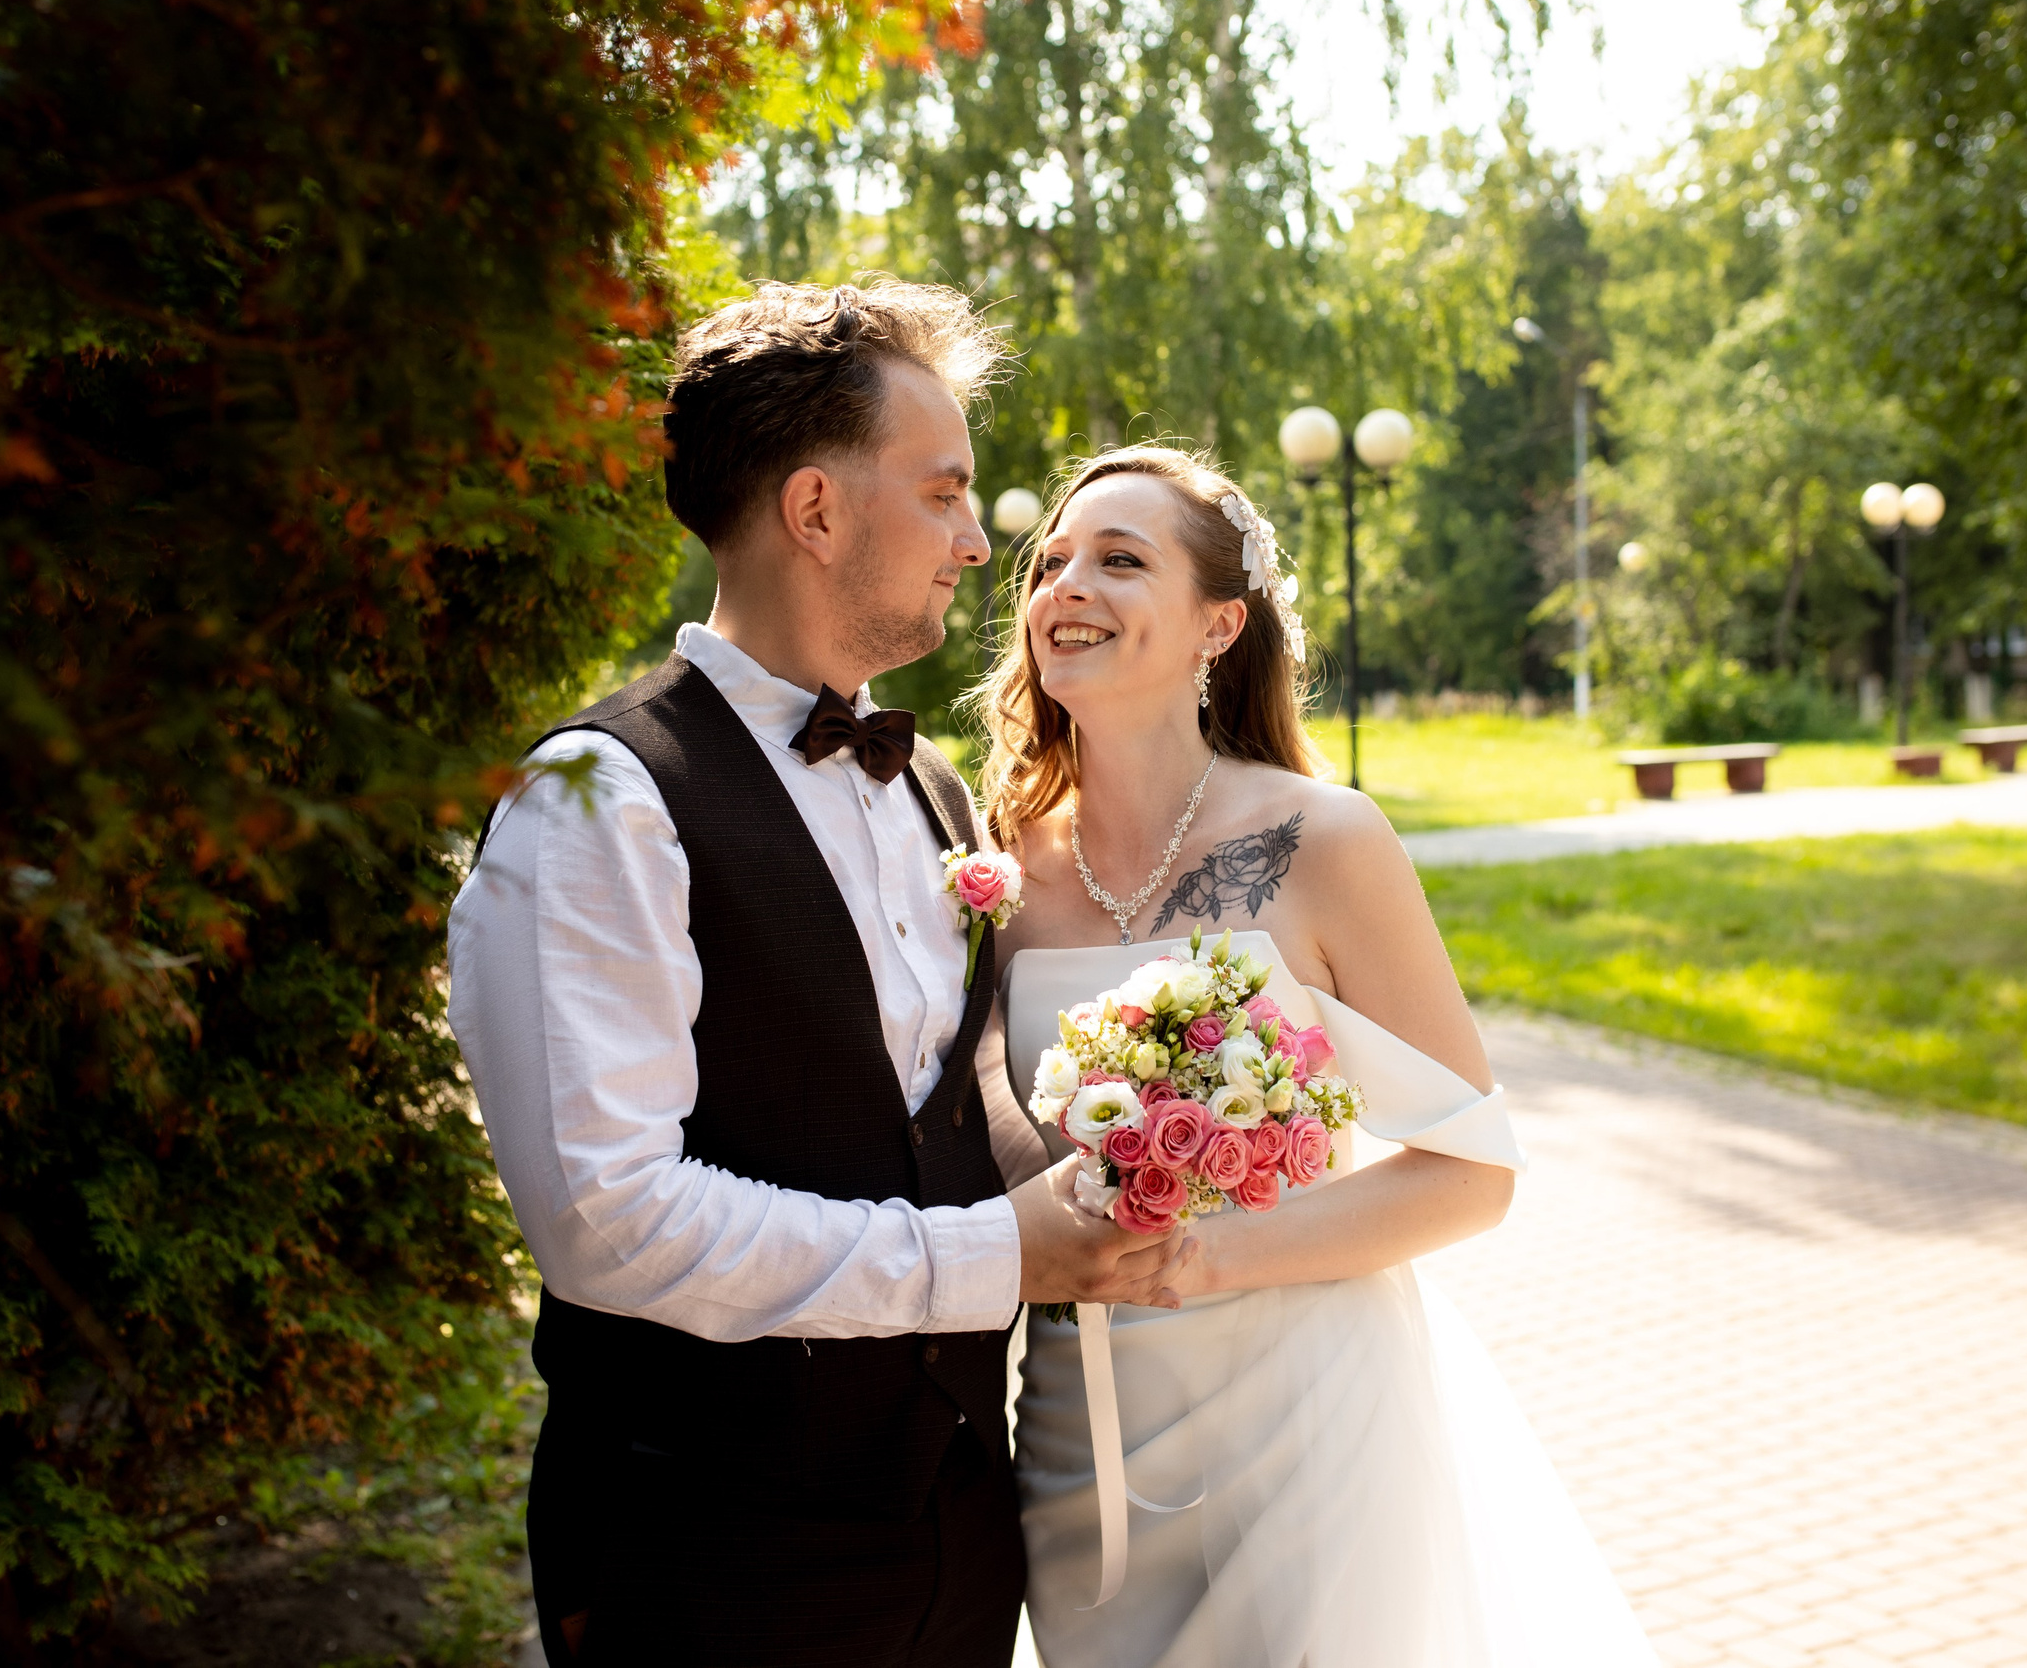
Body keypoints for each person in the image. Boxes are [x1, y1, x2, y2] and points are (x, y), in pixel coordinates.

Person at [445, 281, 1189, 1668]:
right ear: (816, 511)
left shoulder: (938, 796)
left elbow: (919, 1102)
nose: (981, 541)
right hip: (711, 1556)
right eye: (946, 490)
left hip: (963, 1535)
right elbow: (608, 1218)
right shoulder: (592, 801)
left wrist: (1151, 1139)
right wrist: (994, 1253)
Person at [976, 445, 1662, 1666]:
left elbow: (1470, 1171)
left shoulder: (1324, 841)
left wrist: (1200, 1258)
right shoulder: (994, 868)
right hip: (1083, 1432)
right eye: (1052, 561)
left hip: (1305, 1409)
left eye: (1120, 561)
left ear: (1217, 625)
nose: (1065, 586)